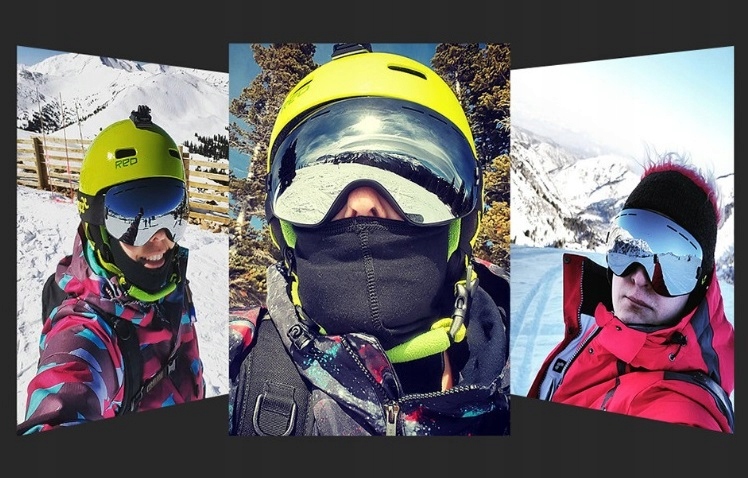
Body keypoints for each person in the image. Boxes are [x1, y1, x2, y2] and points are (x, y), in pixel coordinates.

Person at [228, 44, 510, 436]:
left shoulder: (533, 362)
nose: (362, 204)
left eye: (406, 188)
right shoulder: (238, 368)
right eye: (322, 190)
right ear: (283, 228)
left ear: (461, 227)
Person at [17, 106, 205, 434]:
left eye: (173, 215)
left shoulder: (172, 278)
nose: (160, 239)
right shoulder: (87, 331)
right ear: (98, 225)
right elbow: (64, 396)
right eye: (134, 220)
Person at [528, 152, 734, 433]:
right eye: (629, 249)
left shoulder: (685, 411)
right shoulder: (601, 327)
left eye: (671, 267)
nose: (638, 278)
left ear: (700, 287)